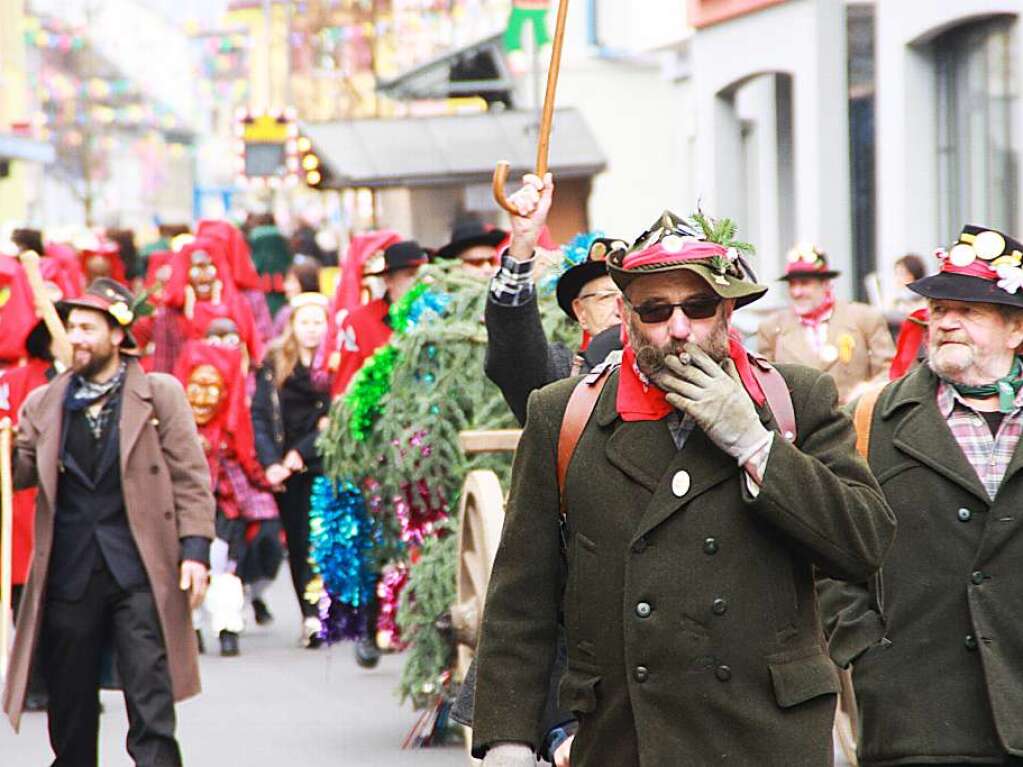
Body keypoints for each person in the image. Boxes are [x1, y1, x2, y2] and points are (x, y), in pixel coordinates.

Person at [470, 195, 896, 766]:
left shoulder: (797, 398)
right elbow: (522, 597)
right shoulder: (564, 414)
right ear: (625, 317)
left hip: (767, 739)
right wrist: (509, 738)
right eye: (655, 310)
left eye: (698, 307)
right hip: (626, 739)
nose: (678, 329)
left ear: (725, 313)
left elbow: (863, 543)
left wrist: (756, 444)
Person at [820, 225, 1023, 766]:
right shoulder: (870, 419)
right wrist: (867, 650)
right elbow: (829, 544)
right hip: (917, 721)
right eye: (939, 308)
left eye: (971, 309)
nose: (947, 321)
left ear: (1015, 329)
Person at [1, 277, 215, 766]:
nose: (76, 337)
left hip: (137, 571)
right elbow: (17, 473)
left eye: (87, 328)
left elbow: (190, 477)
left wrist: (196, 551)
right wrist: (5, 448)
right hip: (68, 575)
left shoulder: (159, 394)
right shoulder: (45, 403)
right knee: (71, 713)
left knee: (150, 702)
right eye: (72, 327)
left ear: (117, 335)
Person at [484, 173, 625, 425]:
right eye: (606, 297)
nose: (620, 310)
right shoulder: (560, 374)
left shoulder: (667, 369)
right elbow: (514, 354)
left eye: (630, 299)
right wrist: (523, 243)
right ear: (580, 312)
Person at [175, 341, 279, 657]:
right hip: (184, 505)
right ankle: (191, 625)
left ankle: (226, 626)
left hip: (225, 506)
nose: (203, 397)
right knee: (188, 565)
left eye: (212, 388)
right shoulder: (174, 425)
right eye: (197, 387)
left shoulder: (234, 428)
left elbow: (248, 459)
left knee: (224, 567)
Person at [252, 292, 332, 648]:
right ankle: (309, 614)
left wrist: (300, 453)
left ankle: (324, 612)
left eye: (318, 322)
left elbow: (335, 417)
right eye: (306, 322)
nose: (312, 330)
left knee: (321, 539)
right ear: (292, 325)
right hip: (286, 467)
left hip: (322, 460)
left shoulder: (333, 364)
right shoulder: (274, 361)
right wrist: (271, 462)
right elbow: (260, 414)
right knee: (298, 543)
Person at [757, 243, 896, 404]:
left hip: (853, 421)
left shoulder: (865, 318)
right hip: (800, 426)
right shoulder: (771, 328)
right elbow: (764, 384)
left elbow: (891, 370)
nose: (796, 292)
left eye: (804, 283)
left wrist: (868, 391)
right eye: (792, 284)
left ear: (825, 284)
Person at [327, 240, 428, 397]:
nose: (420, 283)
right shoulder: (359, 322)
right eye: (410, 275)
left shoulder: (440, 316)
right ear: (388, 280)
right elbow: (346, 387)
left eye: (423, 275)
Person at [435, 217, 507, 279]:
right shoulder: (436, 293)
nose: (488, 269)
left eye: (492, 261)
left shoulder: (504, 291)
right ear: (454, 266)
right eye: (476, 262)